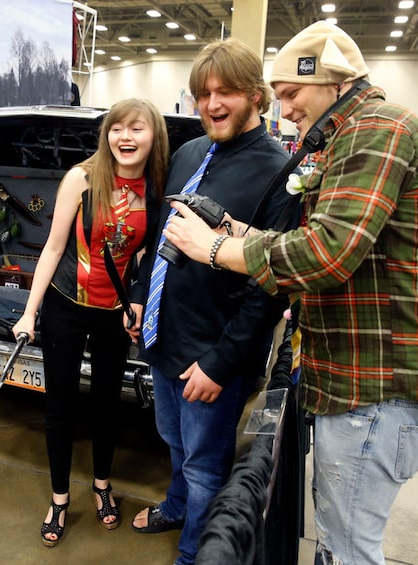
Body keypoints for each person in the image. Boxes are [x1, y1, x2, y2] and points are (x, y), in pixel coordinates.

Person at [160, 22, 418, 565]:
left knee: (347, 551)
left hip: (376, 383)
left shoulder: (379, 131)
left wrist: (214, 249)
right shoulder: (351, 136)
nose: (286, 107)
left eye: (293, 92)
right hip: (356, 383)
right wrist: (237, 232)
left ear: (333, 82)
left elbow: (326, 255)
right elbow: (320, 242)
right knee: (337, 541)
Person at [125, 38, 298, 565]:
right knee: (173, 442)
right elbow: (159, 234)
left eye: (225, 93)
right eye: (202, 94)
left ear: (255, 95)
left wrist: (220, 364)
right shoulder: (189, 153)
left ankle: (196, 552)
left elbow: (272, 287)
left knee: (205, 464)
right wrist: (138, 297)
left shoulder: (280, 174)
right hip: (163, 338)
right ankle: (178, 506)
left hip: (212, 357)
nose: (211, 105)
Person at [11, 98, 170, 547]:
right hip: (65, 304)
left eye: (137, 129)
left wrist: (137, 302)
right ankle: (60, 498)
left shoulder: (156, 187)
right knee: (58, 406)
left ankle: (102, 487)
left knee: (106, 405)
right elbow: (53, 248)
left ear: (153, 136)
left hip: (113, 316)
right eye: (117, 128)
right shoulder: (80, 178)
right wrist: (28, 312)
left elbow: (146, 253)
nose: (125, 137)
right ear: (107, 136)